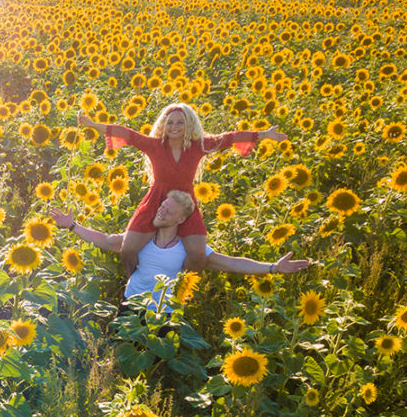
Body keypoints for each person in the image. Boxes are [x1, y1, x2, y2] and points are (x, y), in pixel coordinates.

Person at [77, 105, 287, 275]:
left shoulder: (199, 146)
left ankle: (176, 283)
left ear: (189, 125)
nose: (175, 126)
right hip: (156, 201)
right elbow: (127, 134)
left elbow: (230, 137)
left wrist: (264, 134)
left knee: (198, 256)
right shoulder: (154, 145)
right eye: (170, 122)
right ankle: (134, 282)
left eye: (180, 122)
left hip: (186, 205)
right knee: (128, 249)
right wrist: (92, 124)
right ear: (163, 125)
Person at [50, 190, 311, 310]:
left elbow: (231, 263)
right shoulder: (142, 237)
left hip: (164, 314)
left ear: (181, 220)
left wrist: (273, 268)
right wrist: (71, 225)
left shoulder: (190, 249)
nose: (161, 211)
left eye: (169, 211)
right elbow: (107, 241)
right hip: (131, 305)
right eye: (162, 206)